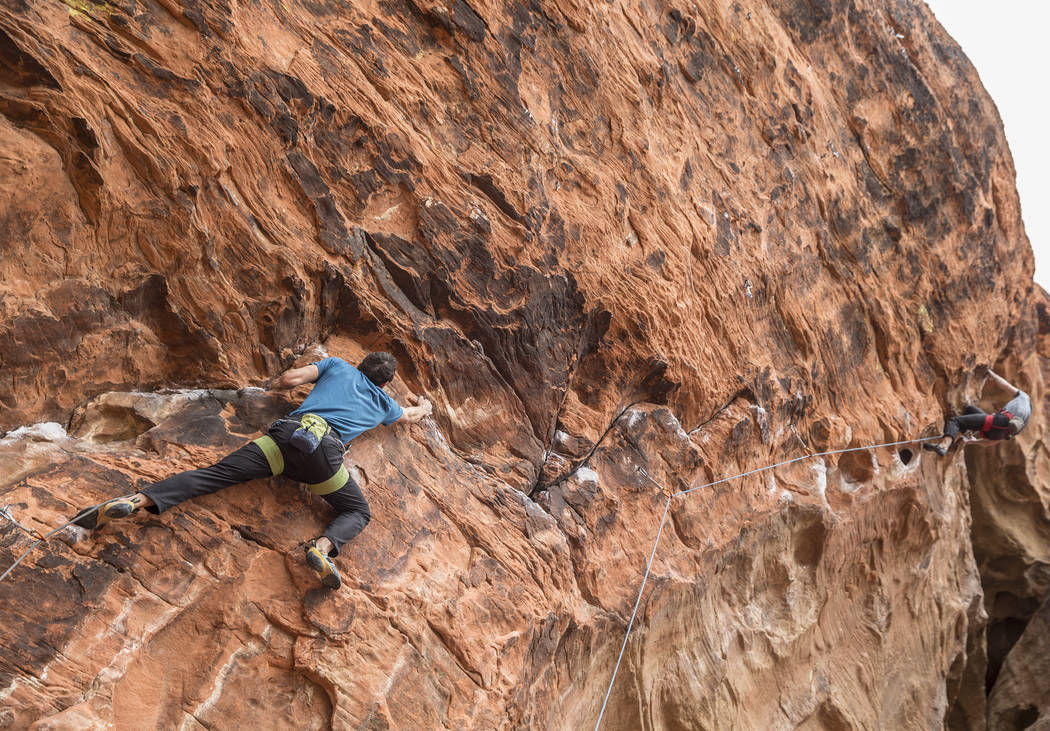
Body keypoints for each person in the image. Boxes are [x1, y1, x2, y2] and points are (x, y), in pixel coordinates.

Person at [73, 352, 432, 589]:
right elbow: (411, 417)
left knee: (212, 477)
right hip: (323, 462)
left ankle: (138, 500)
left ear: (362, 364)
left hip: (286, 439)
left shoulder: (337, 365)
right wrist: (425, 406)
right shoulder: (385, 404)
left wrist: (269, 385)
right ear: (384, 382)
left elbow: (291, 379)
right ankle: (321, 549)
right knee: (357, 510)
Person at [924, 369, 1031, 456]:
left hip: (997, 422)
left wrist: (991, 374)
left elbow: (1004, 385)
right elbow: (993, 441)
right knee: (970, 410)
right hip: (997, 433)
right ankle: (956, 437)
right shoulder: (1024, 421)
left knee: (954, 421)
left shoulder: (1024, 397)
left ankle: (943, 446)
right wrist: (972, 441)